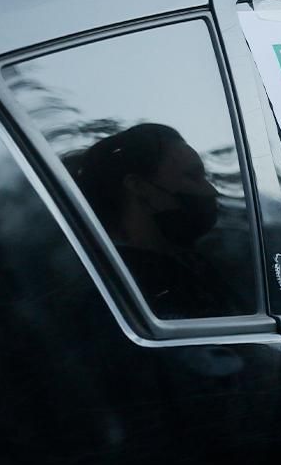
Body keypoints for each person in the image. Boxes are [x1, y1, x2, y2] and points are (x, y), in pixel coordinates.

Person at [70, 123, 248, 319]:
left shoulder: (195, 266)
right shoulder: (115, 290)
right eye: (192, 176)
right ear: (139, 187)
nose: (211, 191)